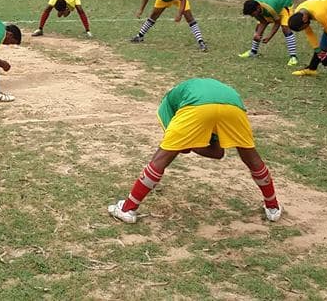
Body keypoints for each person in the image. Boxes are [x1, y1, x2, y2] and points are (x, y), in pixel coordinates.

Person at [107, 78, 281, 223]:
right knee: (252, 158)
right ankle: (273, 207)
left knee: (161, 158)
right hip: (234, 104)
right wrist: (192, 144)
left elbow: (177, 148)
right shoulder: (196, 89)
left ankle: (128, 209)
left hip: (197, 104)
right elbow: (217, 152)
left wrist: (187, 144)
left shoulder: (167, 103)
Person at [131, 0, 208, 51]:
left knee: (189, 17)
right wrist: (141, 10)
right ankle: (139, 36)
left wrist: (179, 14)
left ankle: (201, 42)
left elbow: (183, 0)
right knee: (153, 15)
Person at [239, 0, 299, 65]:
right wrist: (257, 34)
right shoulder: (255, 7)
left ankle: (293, 57)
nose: (252, 16)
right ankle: (253, 52)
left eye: (252, 14)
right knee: (258, 28)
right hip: (273, 4)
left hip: (284, 4)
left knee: (285, 28)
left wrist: (269, 37)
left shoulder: (270, 9)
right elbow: (263, 22)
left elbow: (277, 22)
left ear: (258, 8)